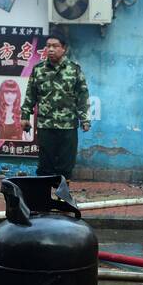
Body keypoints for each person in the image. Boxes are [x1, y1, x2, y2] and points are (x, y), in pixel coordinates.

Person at [23, 30, 90, 181]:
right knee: (45, 166)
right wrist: (25, 116)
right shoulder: (38, 70)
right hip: (46, 125)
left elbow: (82, 96)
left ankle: (61, 198)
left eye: (55, 46)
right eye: (48, 46)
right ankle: (44, 199)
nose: (51, 49)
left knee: (66, 166)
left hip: (68, 126)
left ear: (64, 48)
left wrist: (85, 120)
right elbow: (30, 95)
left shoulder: (74, 70)